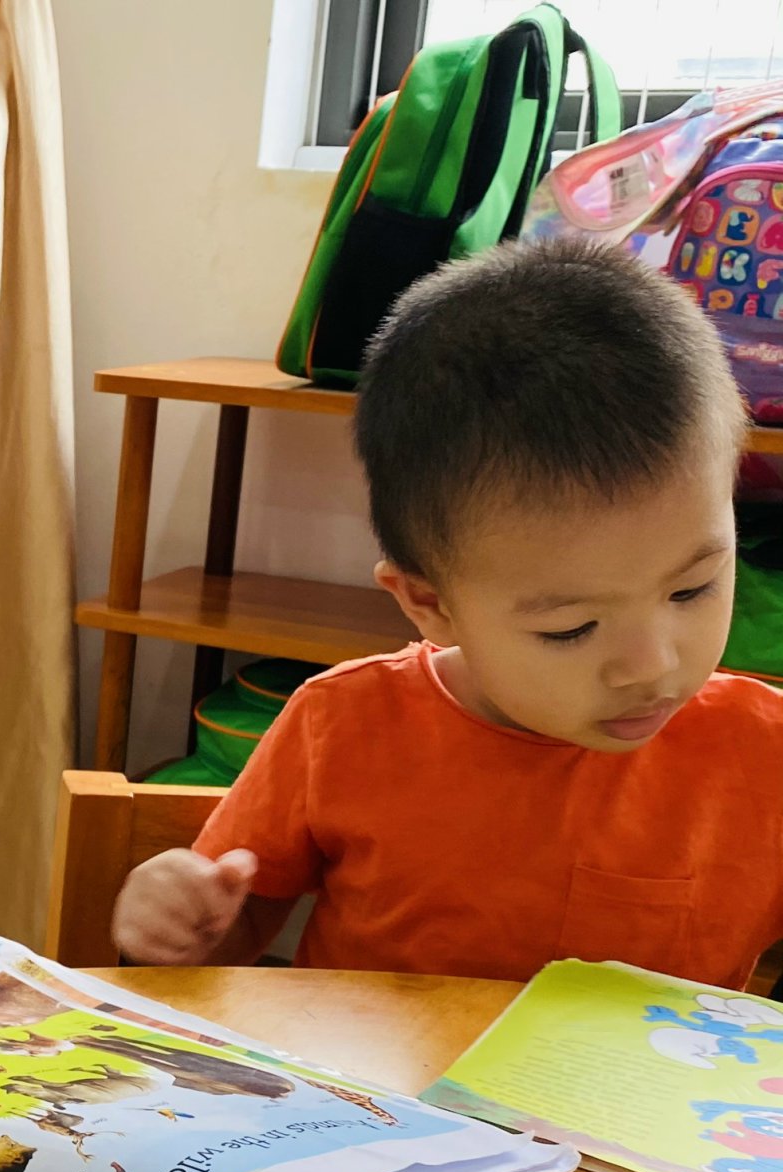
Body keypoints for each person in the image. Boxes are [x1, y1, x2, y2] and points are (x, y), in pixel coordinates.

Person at [112, 239, 783, 989]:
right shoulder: (345, 726)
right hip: (369, 1068)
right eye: (570, 629)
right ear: (428, 604)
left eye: (692, 589)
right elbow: (234, 938)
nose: (652, 665)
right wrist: (183, 927)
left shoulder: (765, 754)